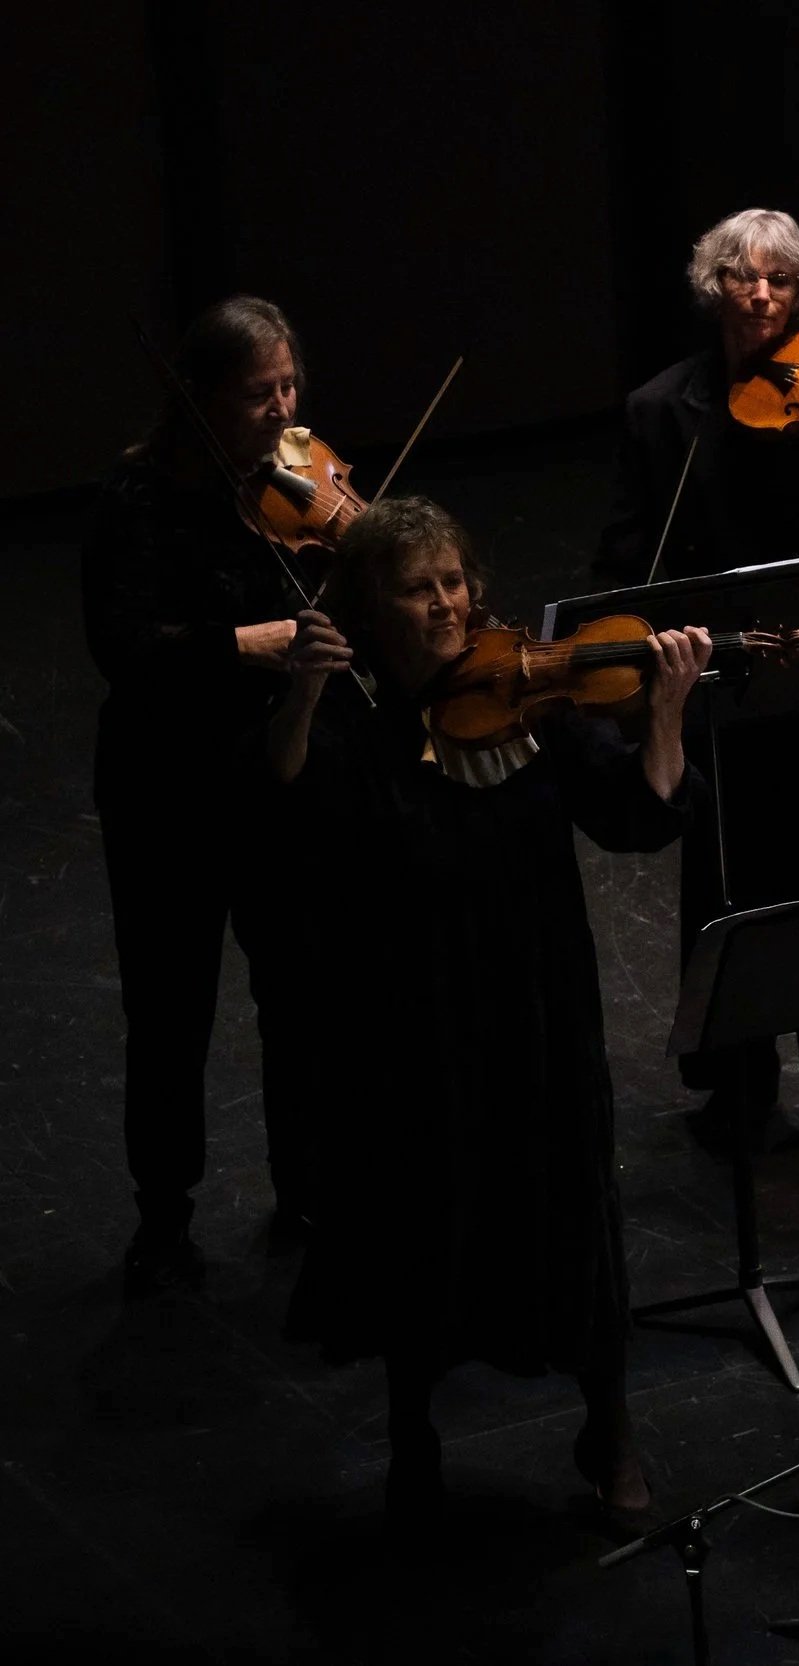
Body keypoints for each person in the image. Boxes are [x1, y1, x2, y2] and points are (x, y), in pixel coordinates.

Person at [269, 497, 708, 1521]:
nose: (446, 605)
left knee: (571, 1211)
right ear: (375, 612)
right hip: (411, 1018)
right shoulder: (361, 731)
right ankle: (412, 1433)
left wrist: (670, 708)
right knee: (422, 1217)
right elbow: (289, 808)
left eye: (455, 582)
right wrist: (299, 690)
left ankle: (609, 1430)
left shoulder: (535, 713)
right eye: (418, 590)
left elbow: (641, 819)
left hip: (539, 1009)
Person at [594, 206, 799, 1150]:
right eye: (743, 277)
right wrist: (645, 627)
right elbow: (625, 544)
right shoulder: (660, 409)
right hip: (719, 670)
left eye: (780, 281)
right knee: (729, 881)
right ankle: (737, 1083)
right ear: (714, 287)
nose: (762, 295)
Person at [83, 294, 323, 1290]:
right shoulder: (137, 500)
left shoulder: (287, 482)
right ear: (204, 397)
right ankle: (164, 1209)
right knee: (170, 1007)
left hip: (272, 770)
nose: (283, 408)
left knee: (300, 992)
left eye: (289, 386)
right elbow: (126, 650)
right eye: (259, 392)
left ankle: (308, 1187)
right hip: (165, 787)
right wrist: (252, 644)